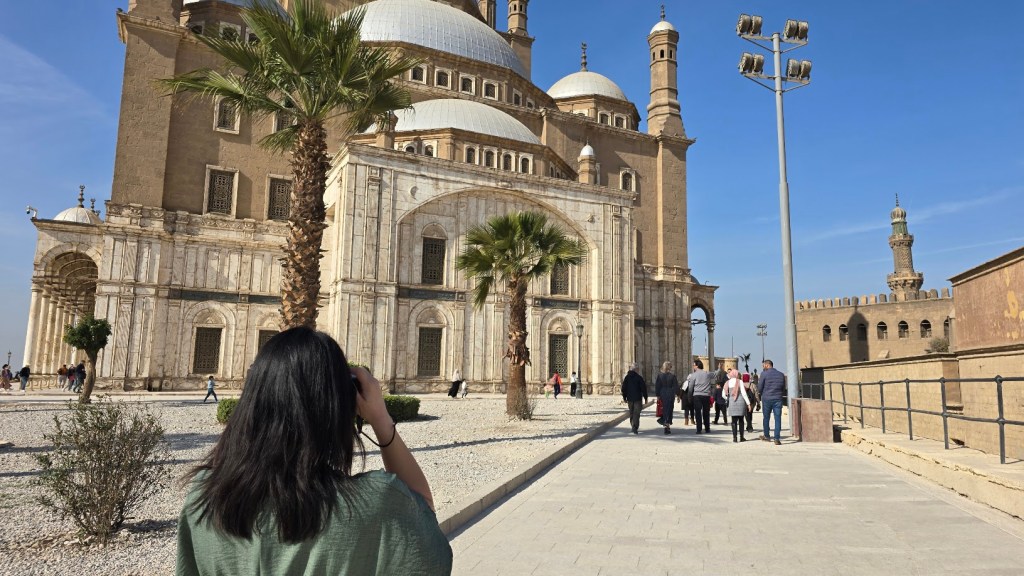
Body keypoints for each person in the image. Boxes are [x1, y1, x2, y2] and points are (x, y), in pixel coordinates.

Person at [176, 327, 452, 575]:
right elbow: (423, 515)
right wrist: (380, 418)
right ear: (337, 407)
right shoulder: (376, 504)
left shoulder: (202, 498)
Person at [758, 359, 786, 445]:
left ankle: (767, 436)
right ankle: (777, 438)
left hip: (767, 399)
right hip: (778, 399)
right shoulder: (781, 375)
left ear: (767, 365)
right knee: (778, 418)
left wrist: (762, 394)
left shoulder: (764, 374)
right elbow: (783, 388)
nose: (763, 367)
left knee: (766, 417)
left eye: (763, 365)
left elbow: (760, 388)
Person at [724, 369, 753, 442]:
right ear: (736, 374)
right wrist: (748, 404)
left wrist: (729, 398)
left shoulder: (727, 382)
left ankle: (734, 437)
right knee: (741, 420)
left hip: (732, 402)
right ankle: (741, 437)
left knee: (733, 421)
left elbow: (724, 394)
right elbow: (744, 393)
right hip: (740, 403)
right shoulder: (739, 381)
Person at [686, 359, 714, 434]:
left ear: (697, 366)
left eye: (694, 365)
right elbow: (715, 374)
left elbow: (691, 387)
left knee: (698, 412)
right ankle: (707, 428)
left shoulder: (693, 375)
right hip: (706, 395)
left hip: (697, 396)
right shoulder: (707, 373)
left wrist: (689, 397)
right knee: (706, 412)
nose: (693, 366)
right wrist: (719, 369)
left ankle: (699, 429)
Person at [621, 363, 648, 434]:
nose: (638, 370)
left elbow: (623, 388)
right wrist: (645, 398)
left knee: (631, 412)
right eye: (638, 369)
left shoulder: (627, 378)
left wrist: (624, 397)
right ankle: (634, 426)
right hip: (637, 398)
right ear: (636, 369)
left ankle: (633, 425)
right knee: (636, 413)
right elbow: (643, 388)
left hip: (630, 398)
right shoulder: (639, 378)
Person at [654, 362, 679, 435]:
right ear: (670, 367)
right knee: (669, 409)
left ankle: (665, 423)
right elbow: (676, 387)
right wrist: (678, 395)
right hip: (670, 394)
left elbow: (657, 386)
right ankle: (667, 425)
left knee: (664, 409)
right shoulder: (673, 376)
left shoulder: (660, 376)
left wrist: (658, 395)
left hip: (663, 393)